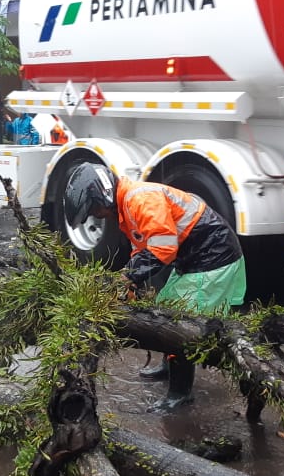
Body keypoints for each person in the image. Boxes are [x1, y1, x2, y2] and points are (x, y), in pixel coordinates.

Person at [63, 162, 247, 412]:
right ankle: (169, 367)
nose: (97, 215)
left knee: (182, 327)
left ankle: (180, 394)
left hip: (213, 257)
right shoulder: (126, 206)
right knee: (166, 306)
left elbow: (163, 248)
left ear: (101, 194)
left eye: (94, 209)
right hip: (193, 257)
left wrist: (129, 278)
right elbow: (142, 246)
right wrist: (129, 283)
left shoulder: (140, 199)